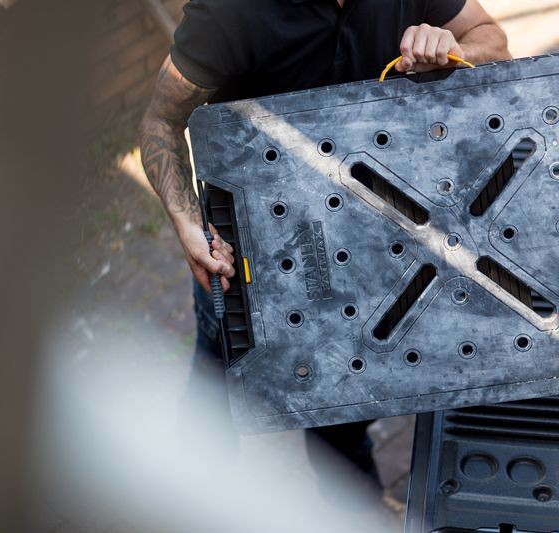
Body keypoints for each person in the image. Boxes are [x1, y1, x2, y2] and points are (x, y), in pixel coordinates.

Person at [139, 0, 511, 487]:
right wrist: (189, 223)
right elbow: (160, 123)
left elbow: (493, 40)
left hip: (360, 253)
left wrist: (454, 52)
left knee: (340, 427)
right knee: (212, 397)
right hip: (244, 262)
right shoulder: (231, 11)